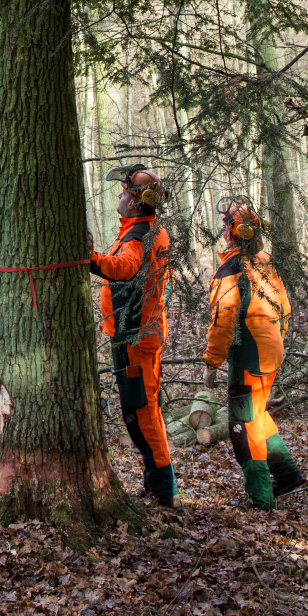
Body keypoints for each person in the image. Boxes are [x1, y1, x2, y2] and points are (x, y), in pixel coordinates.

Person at [203, 198, 304, 510]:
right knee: (257, 414)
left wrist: (211, 362)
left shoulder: (231, 268)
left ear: (232, 233)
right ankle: (287, 474)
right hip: (271, 348)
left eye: (226, 227)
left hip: (249, 354)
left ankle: (260, 496)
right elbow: (284, 307)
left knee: (243, 425)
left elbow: (223, 317)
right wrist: (278, 337)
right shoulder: (264, 259)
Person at [91, 165, 177, 507]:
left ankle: (163, 489)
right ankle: (157, 483)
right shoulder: (141, 230)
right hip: (136, 332)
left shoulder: (140, 235)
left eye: (125, 192)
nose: (120, 196)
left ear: (138, 201)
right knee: (142, 411)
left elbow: (125, 268)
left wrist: (91, 259)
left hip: (136, 337)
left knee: (142, 412)